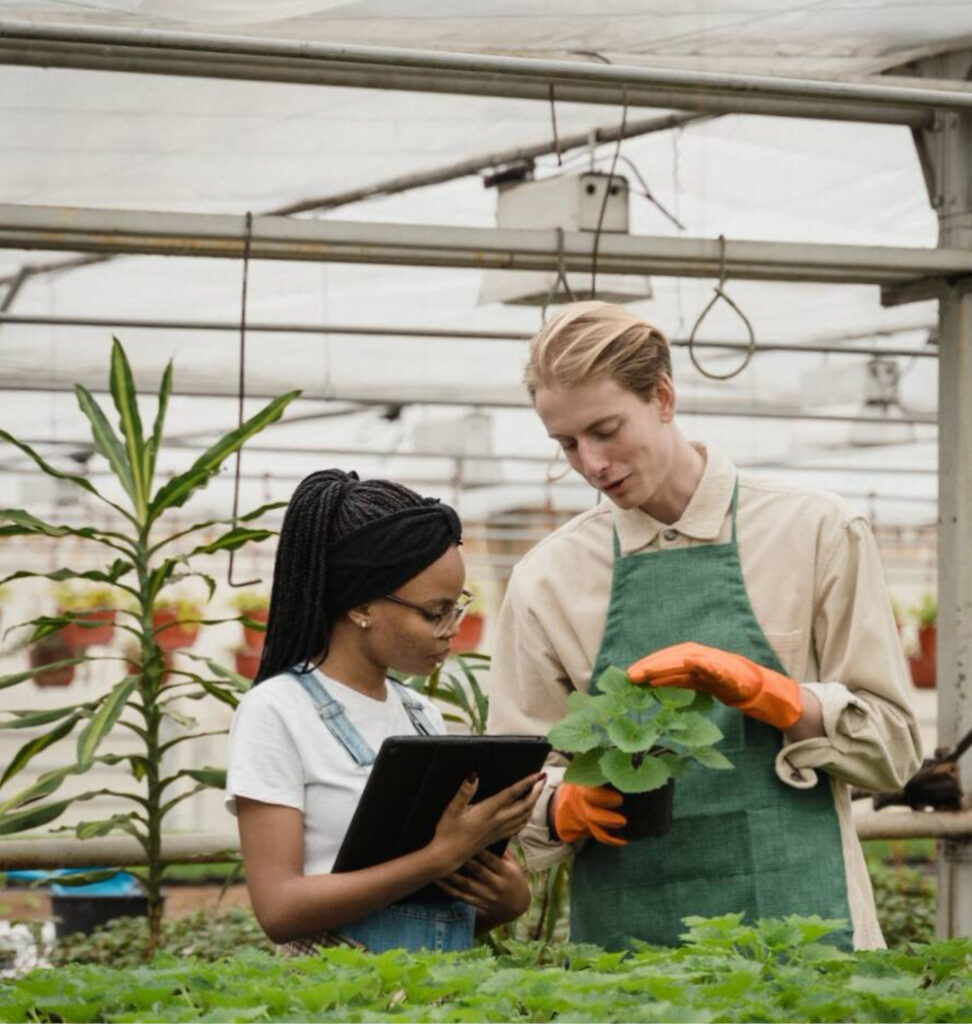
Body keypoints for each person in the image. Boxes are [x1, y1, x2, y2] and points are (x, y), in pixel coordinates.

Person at [487, 301, 922, 951]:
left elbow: (895, 750)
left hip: (806, 929)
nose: (592, 464)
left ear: (663, 397)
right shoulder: (549, 578)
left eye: (606, 430)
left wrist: (777, 696)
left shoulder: (814, 532)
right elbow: (515, 776)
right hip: (629, 951)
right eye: (567, 443)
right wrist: (559, 805)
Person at [226, 469, 544, 954]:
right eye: (433, 612)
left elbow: (424, 920)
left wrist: (505, 899)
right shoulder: (277, 710)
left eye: (457, 607)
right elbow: (279, 909)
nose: (452, 628)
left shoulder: (421, 715)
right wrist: (438, 858)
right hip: (334, 998)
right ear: (362, 606)